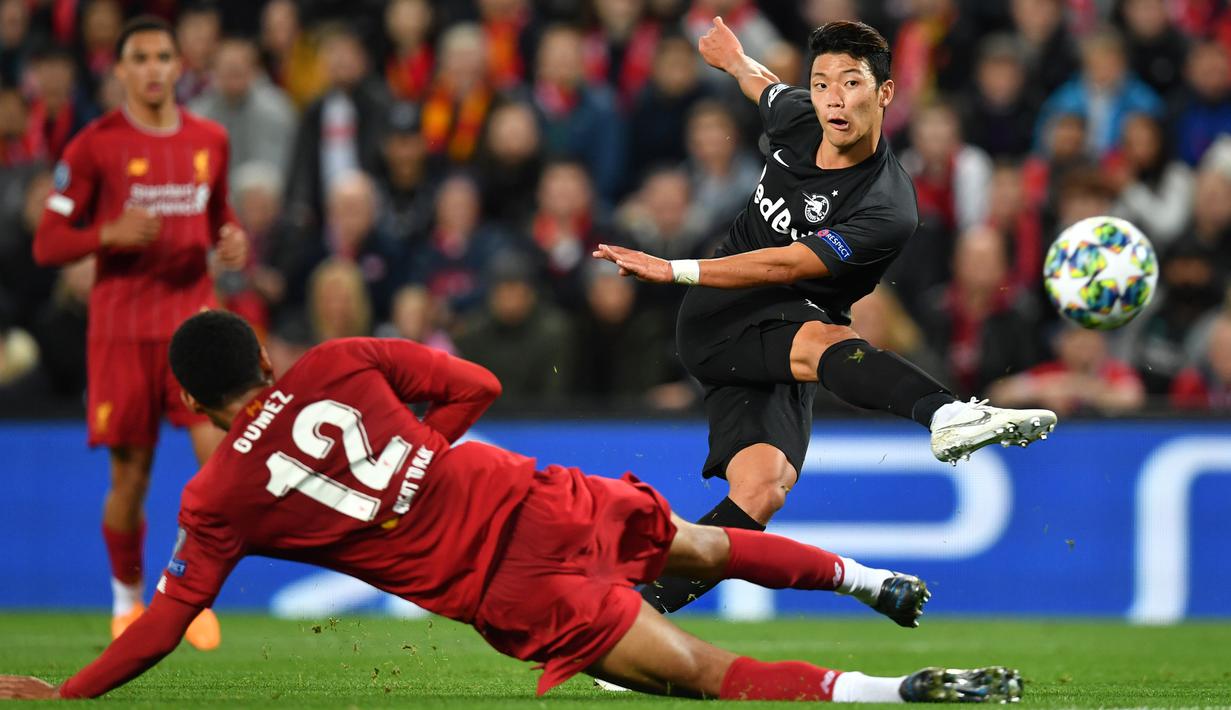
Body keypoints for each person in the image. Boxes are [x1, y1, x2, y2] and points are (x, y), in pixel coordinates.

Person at [0, 311, 1022, 702]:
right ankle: (865, 578)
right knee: (705, 544)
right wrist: (422, 456)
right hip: (521, 490)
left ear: (192, 403)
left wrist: (73, 694)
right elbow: (477, 384)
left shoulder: (217, 494)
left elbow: (170, 618)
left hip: (505, 582)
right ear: (265, 355)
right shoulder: (336, 360)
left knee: (698, 674)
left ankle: (893, 693)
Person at [593, 18, 1056, 615]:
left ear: (885, 93)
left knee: (762, 491)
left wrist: (673, 267)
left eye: (851, 83)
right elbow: (762, 85)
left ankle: (633, 613)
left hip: (783, 321)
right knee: (827, 337)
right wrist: (733, 58)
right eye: (820, 83)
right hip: (722, 313)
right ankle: (945, 414)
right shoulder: (798, 116)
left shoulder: (888, 207)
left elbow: (787, 263)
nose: (833, 99)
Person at [31, 16, 248, 649]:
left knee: (222, 464)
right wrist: (108, 234)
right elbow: (48, 242)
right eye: (140, 58)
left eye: (163, 57)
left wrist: (231, 238)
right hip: (122, 332)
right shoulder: (94, 146)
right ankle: (126, 603)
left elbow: (219, 216)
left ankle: (187, 591)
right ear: (121, 69)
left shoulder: (210, 139)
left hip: (195, 328)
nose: (153, 68)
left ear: (179, 66)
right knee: (131, 480)